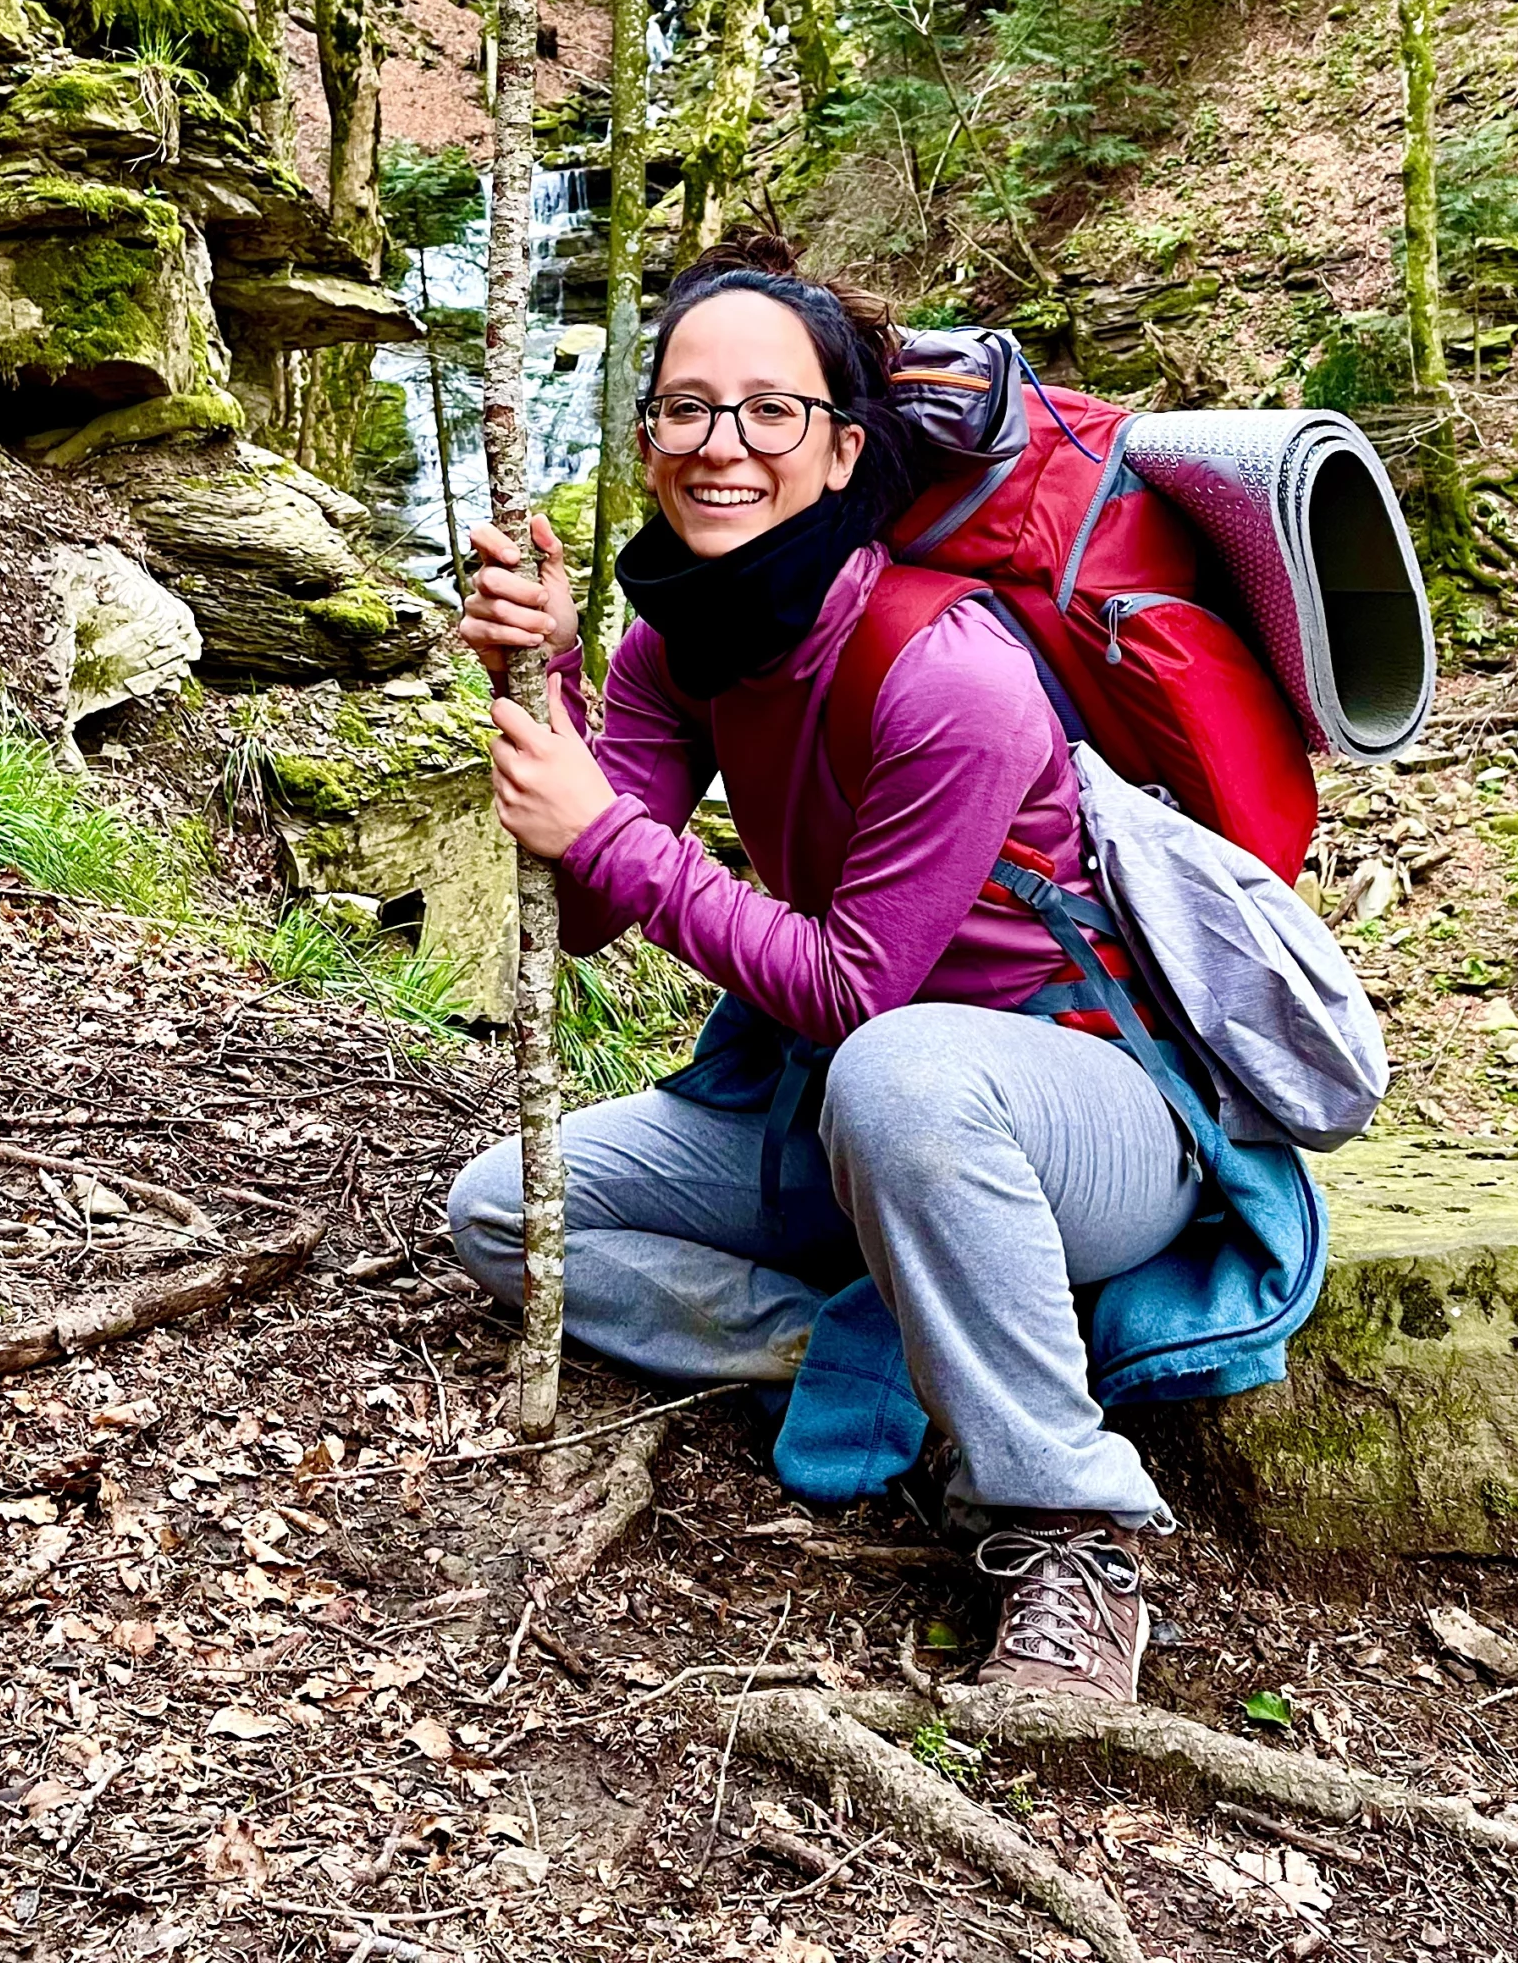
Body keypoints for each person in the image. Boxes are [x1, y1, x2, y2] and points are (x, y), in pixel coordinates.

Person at [444, 234, 1199, 1705]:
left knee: (899, 1070)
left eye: (770, 411)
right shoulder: (684, 646)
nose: (723, 447)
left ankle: (1074, 1532)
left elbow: (861, 991)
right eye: (687, 408)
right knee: (504, 1214)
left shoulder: (950, 674)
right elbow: (595, 909)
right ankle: (891, 1359)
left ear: (844, 449)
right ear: (648, 432)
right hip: (843, 1113)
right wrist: (542, 683)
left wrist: (609, 828)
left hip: (1080, 1116)